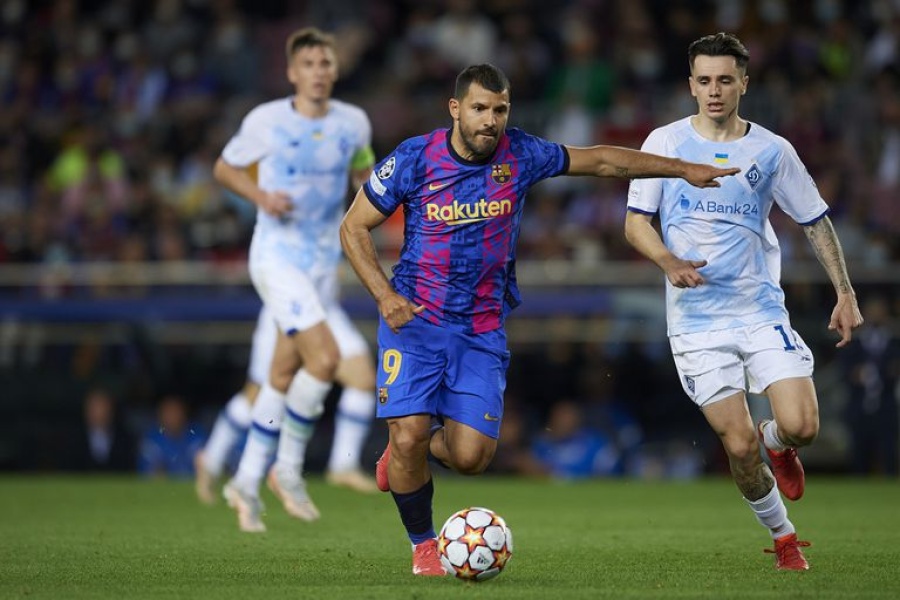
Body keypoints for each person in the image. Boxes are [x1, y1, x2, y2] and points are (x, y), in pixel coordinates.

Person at [339, 62, 738, 576]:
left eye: (500, 110)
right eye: (480, 108)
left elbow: (599, 163)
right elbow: (353, 228)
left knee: (471, 458)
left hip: (481, 327)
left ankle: (400, 459)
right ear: (456, 109)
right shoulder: (415, 159)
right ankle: (423, 546)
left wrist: (682, 168)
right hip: (413, 319)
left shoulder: (521, 153)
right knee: (411, 433)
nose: (490, 120)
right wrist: (383, 296)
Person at [623, 32, 864, 571]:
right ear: (690, 84)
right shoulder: (663, 142)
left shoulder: (772, 151)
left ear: (744, 84)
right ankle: (783, 537)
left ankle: (777, 442)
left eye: (725, 80)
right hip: (695, 321)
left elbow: (814, 221)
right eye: (704, 80)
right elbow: (636, 222)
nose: (714, 90)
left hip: (758, 309)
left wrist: (845, 291)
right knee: (735, 445)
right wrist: (668, 262)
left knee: (802, 426)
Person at [211, 27, 376, 532]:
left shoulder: (354, 122)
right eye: (308, 64)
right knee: (324, 360)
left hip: (323, 267)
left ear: (335, 69)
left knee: (279, 377)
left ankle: (244, 478)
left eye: (325, 63)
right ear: (292, 73)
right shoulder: (266, 120)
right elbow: (224, 167)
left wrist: (372, 202)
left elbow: (362, 174)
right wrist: (261, 197)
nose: (318, 72)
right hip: (276, 258)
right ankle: (287, 471)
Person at [193, 304, 379, 506]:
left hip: (325, 309)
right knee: (259, 394)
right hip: (286, 307)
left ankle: (343, 466)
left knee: (362, 379)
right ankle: (211, 459)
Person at [839, 294, 899, 476]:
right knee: (859, 452)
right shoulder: (854, 341)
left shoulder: (894, 340)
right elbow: (844, 370)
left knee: (889, 451)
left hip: (886, 404)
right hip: (859, 405)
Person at [138, 393, 205, 478]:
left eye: (176, 410)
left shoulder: (196, 434)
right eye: (168, 411)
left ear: (184, 412)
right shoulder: (152, 438)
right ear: (160, 414)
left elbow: (208, 468)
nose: (173, 416)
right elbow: (150, 474)